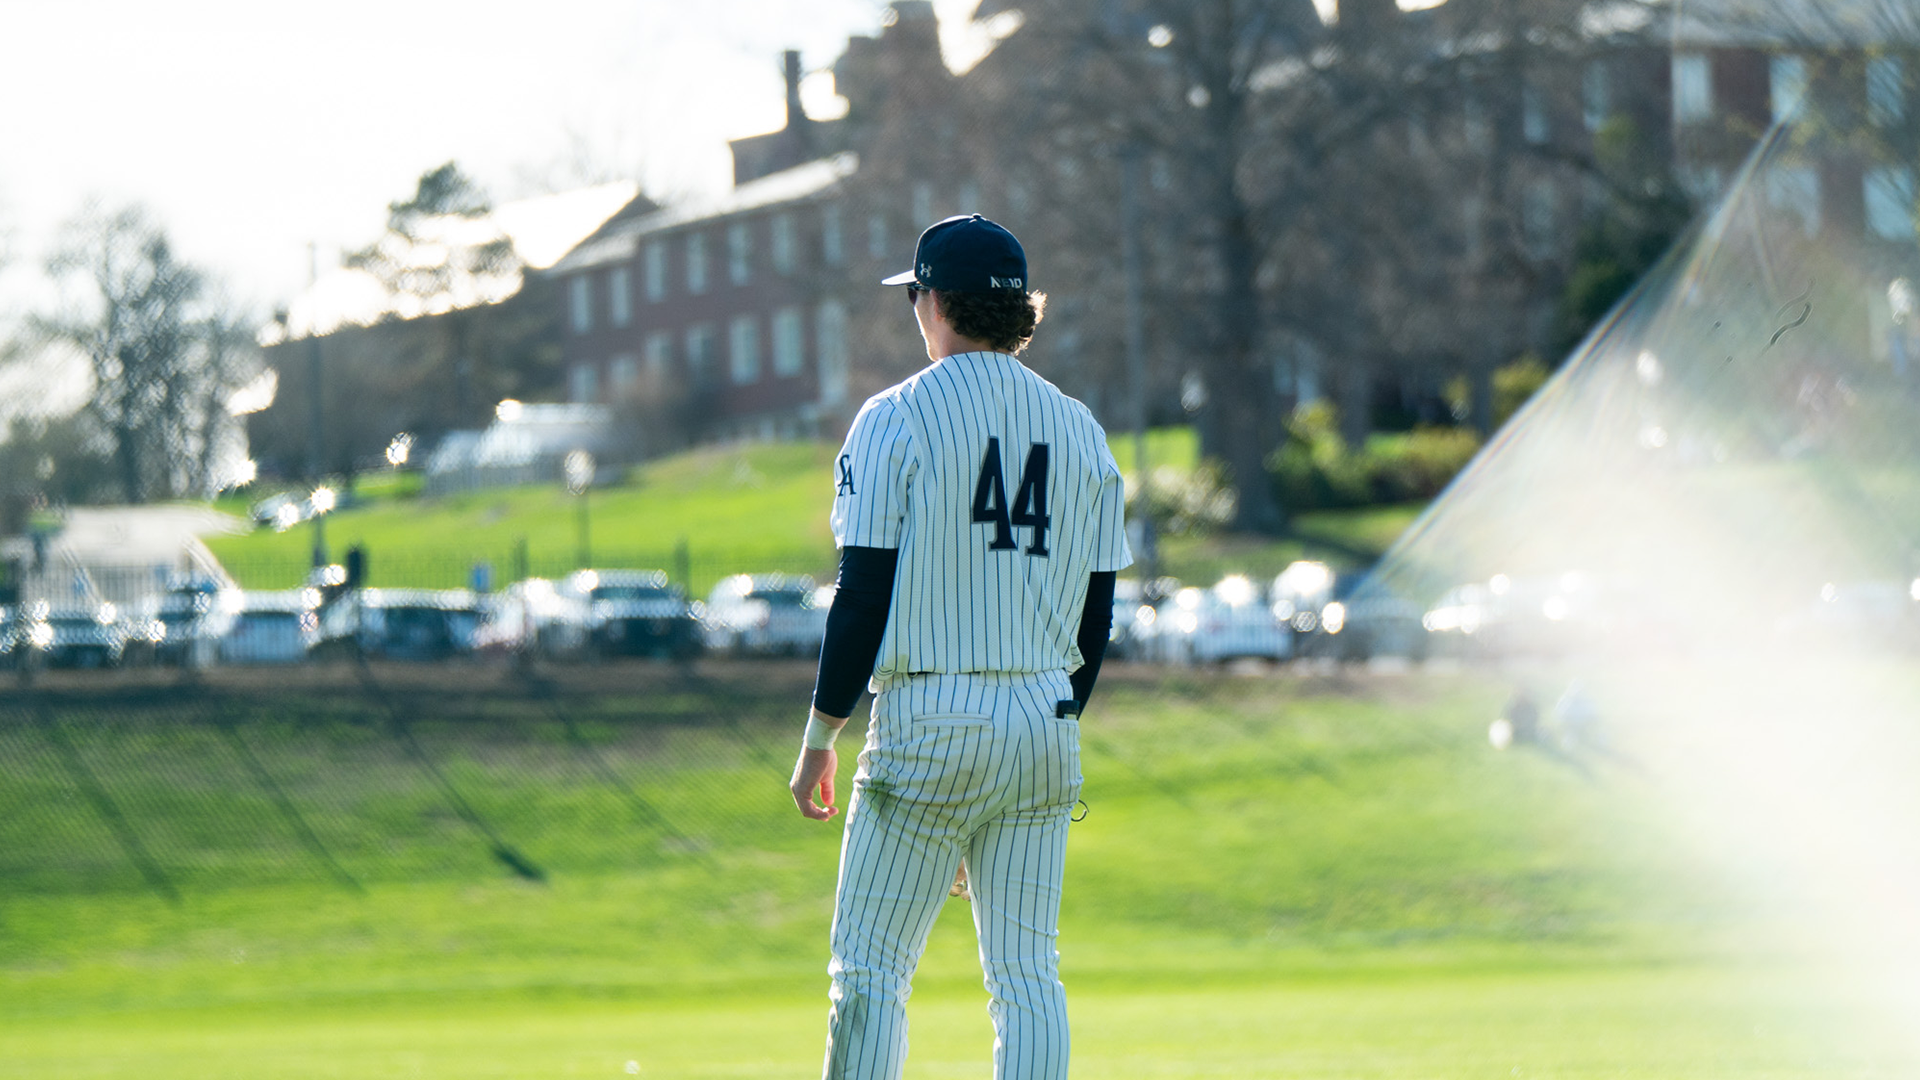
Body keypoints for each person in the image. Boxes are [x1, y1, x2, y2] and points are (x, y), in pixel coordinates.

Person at [789, 213, 1131, 1080]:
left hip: (931, 714)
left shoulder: (894, 417)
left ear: (935, 300)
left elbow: (862, 594)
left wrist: (820, 737)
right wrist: (1046, 719)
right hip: (1044, 717)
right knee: (1026, 977)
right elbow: (1096, 618)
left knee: (870, 969)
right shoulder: (1081, 428)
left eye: (916, 295)